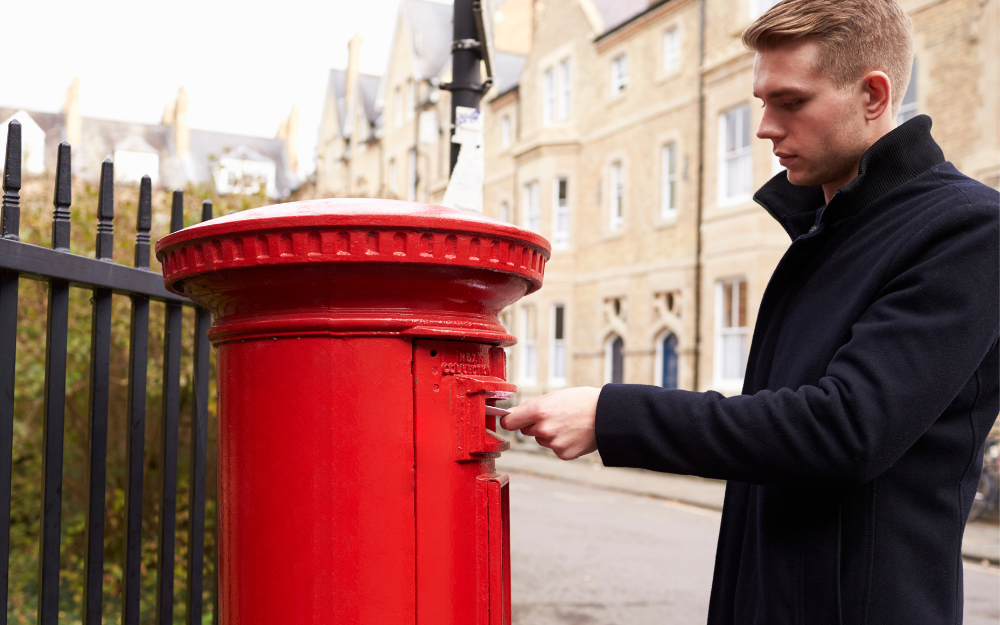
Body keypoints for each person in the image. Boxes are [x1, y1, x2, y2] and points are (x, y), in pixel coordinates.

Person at [499, 0, 1000, 622]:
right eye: (763, 100)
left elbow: (844, 430)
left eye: (789, 102)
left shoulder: (968, 229)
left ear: (874, 95)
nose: (763, 127)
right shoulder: (827, 234)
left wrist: (612, 414)